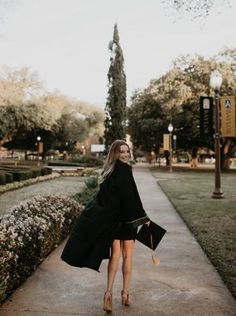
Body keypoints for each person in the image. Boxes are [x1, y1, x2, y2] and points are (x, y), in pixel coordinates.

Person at [61, 139, 150, 313]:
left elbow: (104, 199)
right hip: (127, 220)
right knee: (127, 255)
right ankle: (125, 294)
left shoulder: (110, 171)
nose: (125, 154)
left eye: (126, 151)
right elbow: (130, 198)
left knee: (115, 255)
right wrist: (142, 217)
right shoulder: (125, 170)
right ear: (115, 153)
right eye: (121, 152)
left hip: (113, 221)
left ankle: (108, 293)